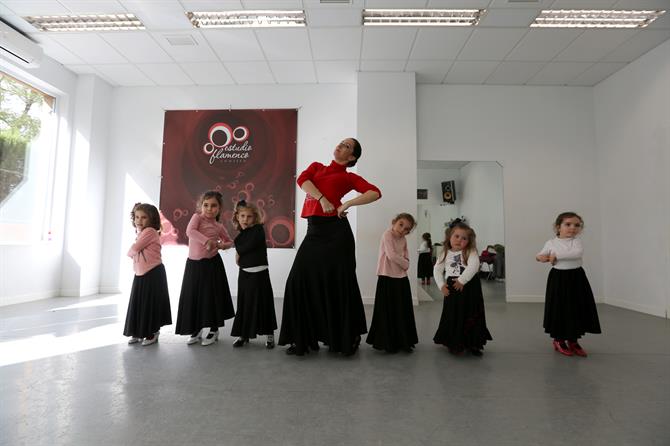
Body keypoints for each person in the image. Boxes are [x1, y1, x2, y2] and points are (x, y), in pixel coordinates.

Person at [279, 137, 381, 356]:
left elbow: (375, 192)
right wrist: (323, 198)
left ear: (352, 157)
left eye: (346, 146)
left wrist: (347, 203)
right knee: (298, 280)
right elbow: (303, 181)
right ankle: (303, 337)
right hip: (314, 231)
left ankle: (344, 337)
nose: (340, 146)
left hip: (337, 234)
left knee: (339, 283)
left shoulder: (349, 177)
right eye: (341, 143)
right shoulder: (317, 167)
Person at [536, 212, 601, 357]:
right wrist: (541, 257)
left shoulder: (576, 242)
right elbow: (540, 255)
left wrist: (555, 256)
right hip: (558, 279)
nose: (572, 228)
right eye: (568, 224)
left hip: (576, 278)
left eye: (577, 225)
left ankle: (573, 340)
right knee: (559, 308)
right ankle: (559, 340)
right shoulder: (551, 243)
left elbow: (577, 254)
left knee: (576, 308)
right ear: (558, 227)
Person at [175, 191, 235, 346]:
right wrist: (207, 241)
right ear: (201, 206)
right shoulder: (197, 218)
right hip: (194, 265)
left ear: (219, 208)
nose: (209, 208)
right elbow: (190, 232)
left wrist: (221, 245)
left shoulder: (219, 226)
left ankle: (214, 330)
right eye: (206, 205)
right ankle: (197, 328)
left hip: (211, 265)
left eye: (214, 205)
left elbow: (229, 241)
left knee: (210, 298)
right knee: (194, 297)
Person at [433, 222, 492, 356]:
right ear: (449, 237)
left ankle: (474, 343)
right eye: (457, 236)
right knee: (454, 314)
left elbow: (474, 266)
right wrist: (441, 285)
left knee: (472, 313)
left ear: (469, 241)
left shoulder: (470, 251)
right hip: (452, 288)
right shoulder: (445, 253)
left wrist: (462, 280)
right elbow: (437, 269)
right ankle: (454, 342)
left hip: (470, 287)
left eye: (464, 238)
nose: (460, 240)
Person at [366, 213, 418, 353]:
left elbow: (406, 255)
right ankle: (388, 342)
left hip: (401, 277)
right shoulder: (387, 235)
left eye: (407, 229)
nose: (403, 230)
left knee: (402, 310)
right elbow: (391, 255)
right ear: (394, 222)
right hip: (387, 276)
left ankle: (403, 341)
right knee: (387, 310)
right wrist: (406, 264)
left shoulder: (403, 239)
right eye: (401, 224)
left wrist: (405, 262)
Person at [230, 200, 278, 349]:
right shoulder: (241, 235)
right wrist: (237, 251)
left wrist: (238, 252)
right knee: (244, 305)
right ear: (237, 217)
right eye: (242, 216)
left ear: (255, 218)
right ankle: (243, 334)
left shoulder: (258, 230)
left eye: (249, 216)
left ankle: (270, 335)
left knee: (264, 303)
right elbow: (241, 246)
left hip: (260, 274)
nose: (245, 219)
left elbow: (247, 246)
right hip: (245, 274)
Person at [124, 203, 172, 346]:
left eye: (144, 217)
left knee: (149, 304)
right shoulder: (140, 233)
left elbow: (134, 249)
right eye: (137, 217)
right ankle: (138, 332)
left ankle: (152, 332)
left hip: (152, 272)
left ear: (151, 219)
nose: (139, 220)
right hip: (140, 273)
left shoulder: (150, 231)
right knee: (139, 304)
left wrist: (131, 253)